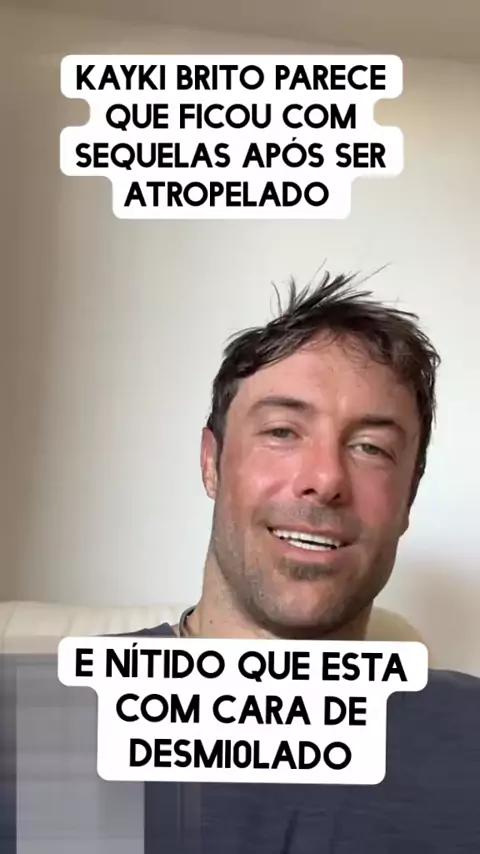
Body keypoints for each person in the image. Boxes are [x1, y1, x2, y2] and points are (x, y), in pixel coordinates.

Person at [143, 272, 480, 853]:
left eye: (371, 448)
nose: (325, 479)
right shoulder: (52, 720)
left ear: (409, 498)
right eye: (282, 431)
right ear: (211, 463)